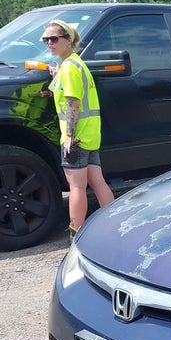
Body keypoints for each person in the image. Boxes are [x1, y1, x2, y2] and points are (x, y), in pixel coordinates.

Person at [42, 19, 114, 238]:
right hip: (90, 135)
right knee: (97, 181)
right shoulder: (74, 64)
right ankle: (114, 225)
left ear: (68, 40)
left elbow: (73, 102)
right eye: (46, 39)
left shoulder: (70, 69)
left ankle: (77, 234)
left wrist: (69, 136)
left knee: (76, 187)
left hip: (76, 136)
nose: (49, 43)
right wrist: (57, 75)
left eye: (54, 39)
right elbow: (68, 90)